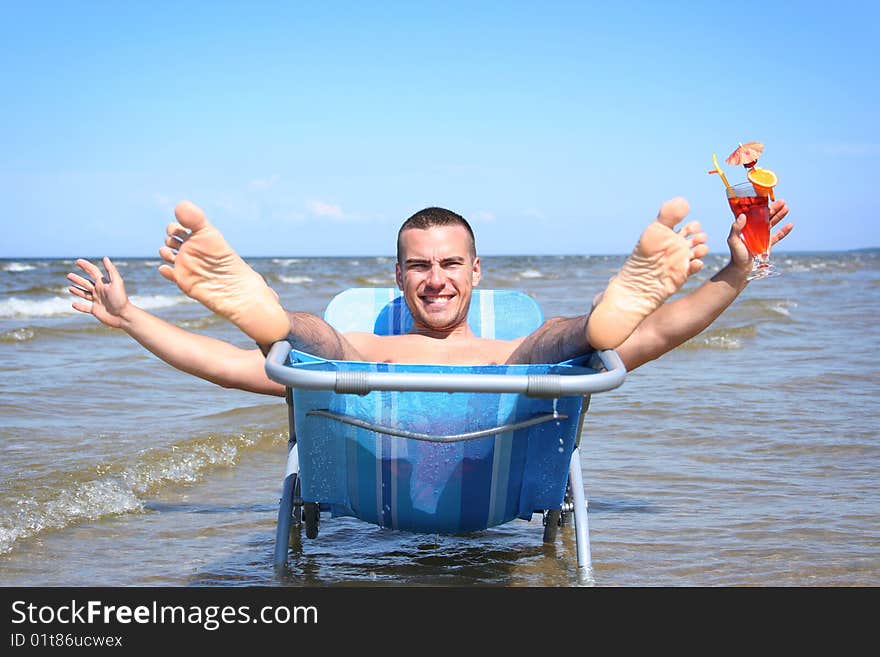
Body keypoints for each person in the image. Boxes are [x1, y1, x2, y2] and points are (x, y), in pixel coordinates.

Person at [67, 197, 792, 396]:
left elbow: (657, 332)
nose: (436, 277)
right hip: (378, 373)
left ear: (478, 272)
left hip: (514, 368)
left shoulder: (513, 346)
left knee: (581, 339)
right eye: (419, 266)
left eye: (450, 263)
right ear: (399, 277)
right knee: (312, 345)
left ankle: (602, 317)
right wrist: (129, 314)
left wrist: (732, 273)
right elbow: (219, 362)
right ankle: (269, 315)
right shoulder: (372, 347)